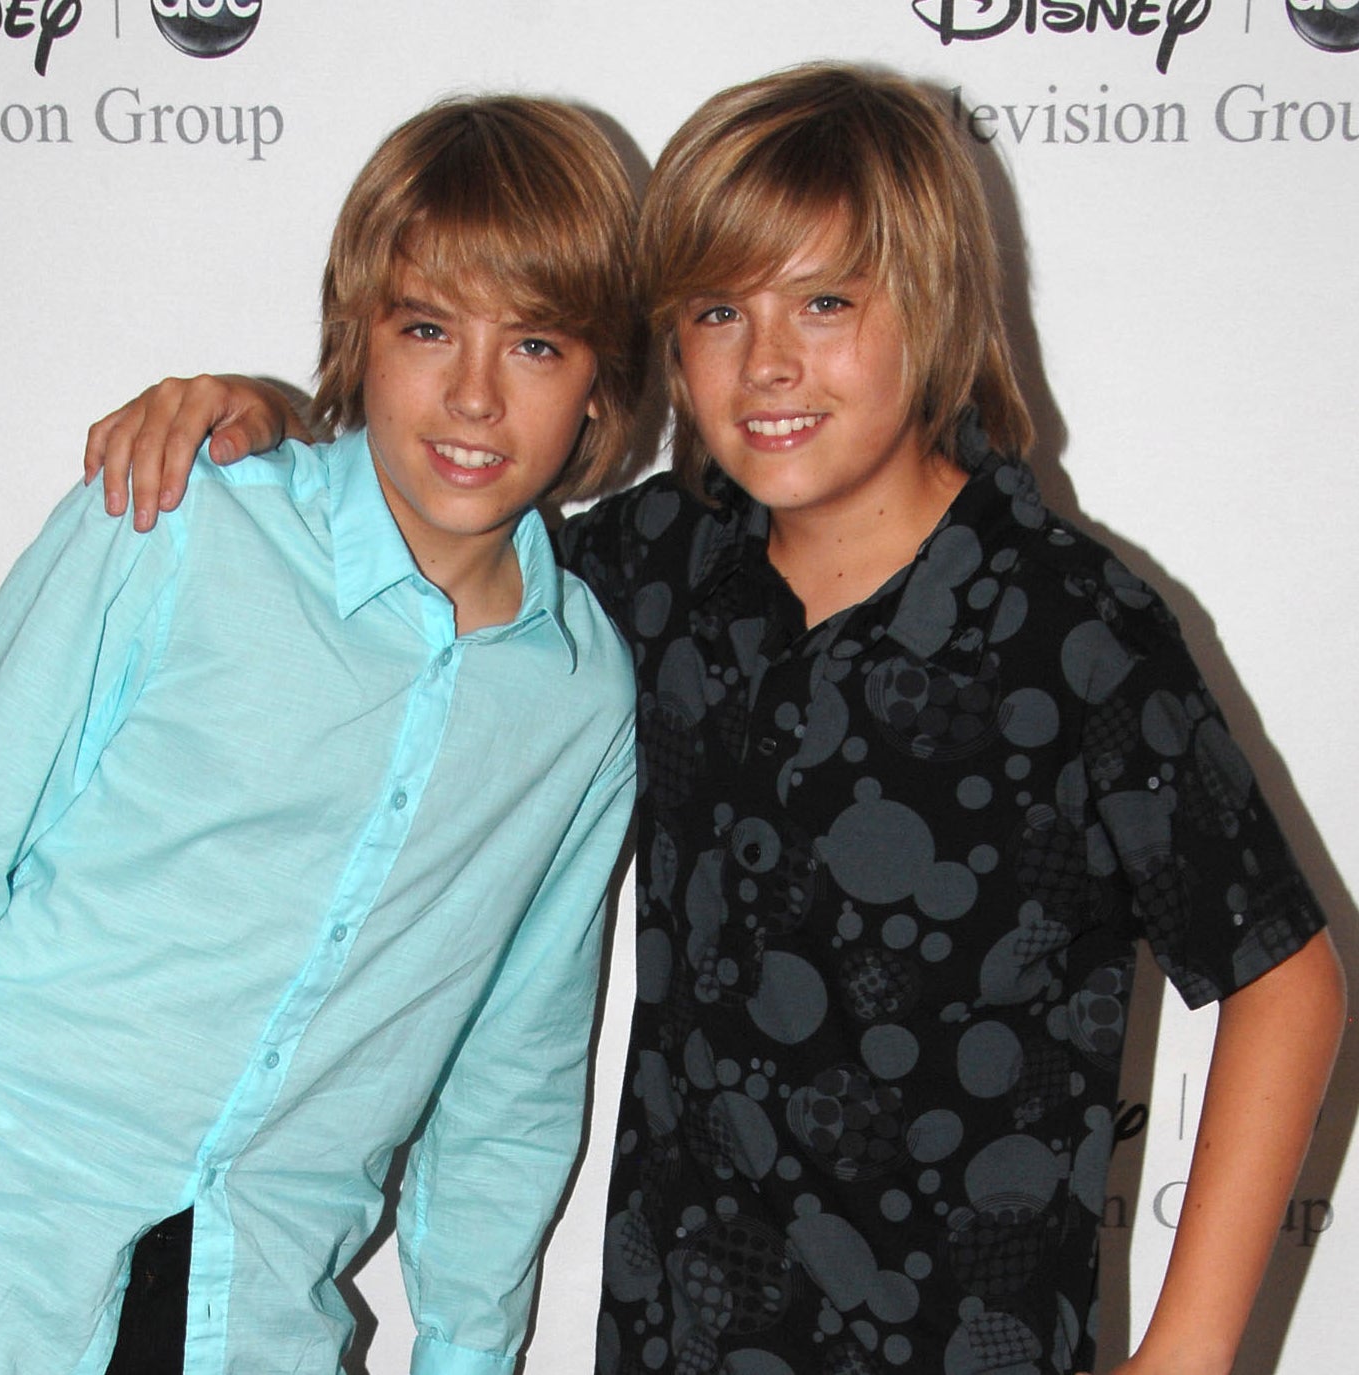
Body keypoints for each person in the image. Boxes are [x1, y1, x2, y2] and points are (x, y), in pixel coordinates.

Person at [75, 64, 1346, 1375]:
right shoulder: (660, 566)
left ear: (936, 300)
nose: (768, 361)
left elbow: (1285, 978)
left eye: (827, 301)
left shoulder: (1073, 626)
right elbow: (443, 542)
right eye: (719, 309)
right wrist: (273, 423)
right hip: (678, 1330)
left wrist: (1189, 1348)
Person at [0, 96, 647, 1375]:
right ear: (361, 332)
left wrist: (464, 1353)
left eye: (533, 344)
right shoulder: (179, 525)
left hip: (252, 1322)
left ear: (598, 384)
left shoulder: (578, 700)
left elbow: (509, 1074)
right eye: (426, 328)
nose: (471, 394)